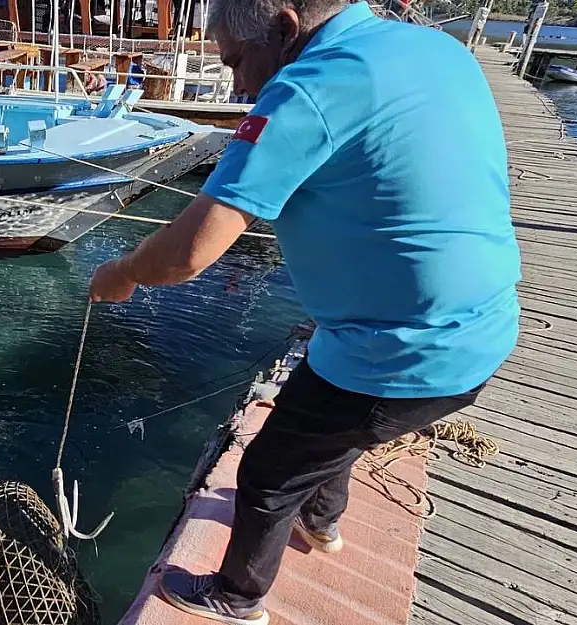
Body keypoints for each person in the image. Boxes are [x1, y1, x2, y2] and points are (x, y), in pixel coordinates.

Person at [87, 0, 521, 623]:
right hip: (487, 328)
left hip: (400, 353)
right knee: (331, 431)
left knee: (269, 472)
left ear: (287, 29)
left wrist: (123, 272)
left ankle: (237, 597)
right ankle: (323, 524)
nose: (237, 85)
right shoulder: (438, 50)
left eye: (237, 62)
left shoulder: (306, 89)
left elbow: (187, 253)